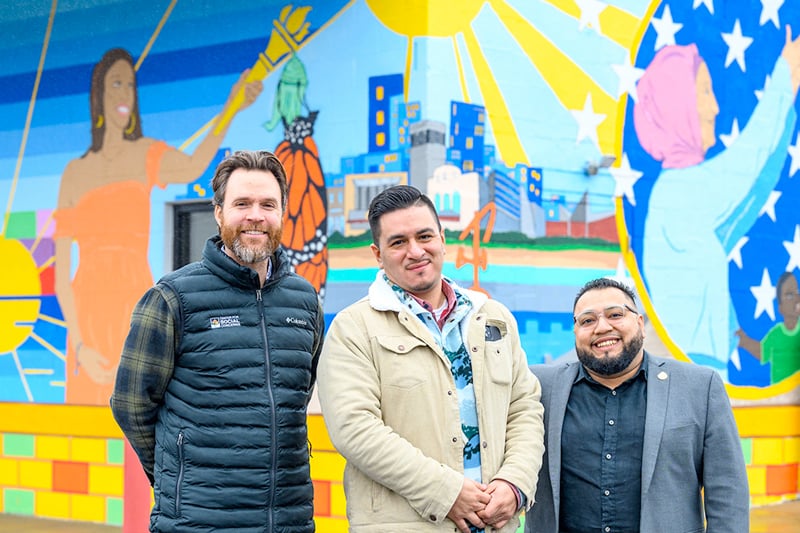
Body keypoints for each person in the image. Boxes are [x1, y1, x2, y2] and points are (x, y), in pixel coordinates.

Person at [55, 47, 262, 532]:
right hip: (87, 308)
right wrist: (80, 343)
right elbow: (61, 272)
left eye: (130, 84)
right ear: (98, 94)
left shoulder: (146, 154)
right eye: (115, 84)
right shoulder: (74, 173)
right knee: (99, 416)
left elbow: (192, 166)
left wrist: (232, 105)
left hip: (133, 298)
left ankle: (139, 518)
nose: (124, 93)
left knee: (145, 412)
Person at [111, 150, 324, 532]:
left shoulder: (305, 300)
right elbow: (131, 405)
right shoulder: (171, 298)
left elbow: (298, 394)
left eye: (267, 204)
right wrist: (178, 476)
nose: (255, 215)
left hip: (289, 519)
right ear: (219, 212)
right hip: (198, 521)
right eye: (242, 203)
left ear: (282, 213)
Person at [317, 185, 544, 532]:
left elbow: (524, 407)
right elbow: (355, 429)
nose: (415, 251)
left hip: (497, 524)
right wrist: (446, 492)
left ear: (442, 238)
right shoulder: (354, 328)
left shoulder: (492, 317)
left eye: (424, 236)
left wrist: (515, 484)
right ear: (378, 254)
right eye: (398, 242)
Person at [633, 27, 800, 372]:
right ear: (678, 105)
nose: (715, 106)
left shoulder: (682, 192)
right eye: (705, 92)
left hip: (699, 373)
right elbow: (747, 164)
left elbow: (754, 190)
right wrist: (784, 77)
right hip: (694, 373)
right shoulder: (680, 191)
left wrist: (789, 97)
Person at [525, 277, 749, 533]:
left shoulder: (699, 387)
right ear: (575, 332)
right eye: (587, 320)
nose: (602, 327)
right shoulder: (539, 386)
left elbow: (728, 491)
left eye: (615, 314)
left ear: (640, 324)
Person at [737, 271, 800, 384]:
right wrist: (745, 341)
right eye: (789, 295)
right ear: (780, 308)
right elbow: (762, 352)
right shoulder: (776, 334)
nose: (796, 299)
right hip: (780, 395)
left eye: (797, 293)